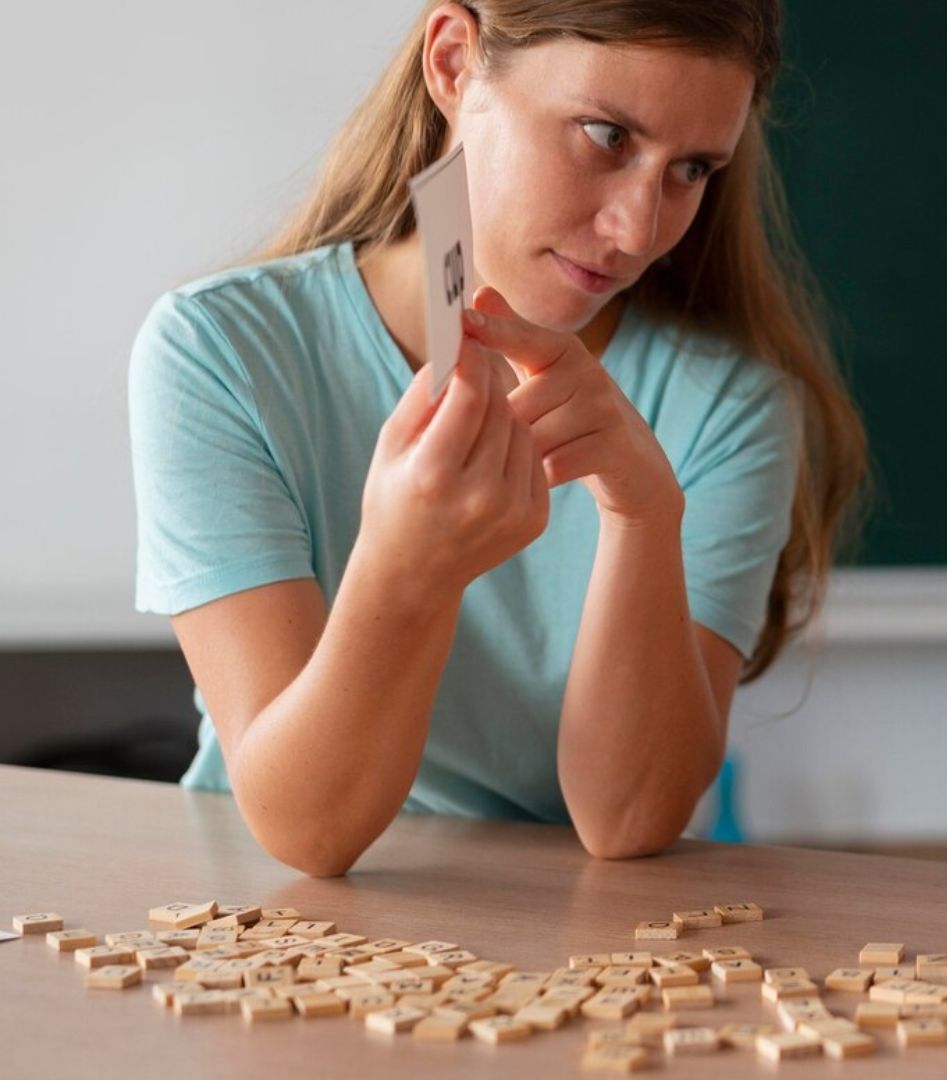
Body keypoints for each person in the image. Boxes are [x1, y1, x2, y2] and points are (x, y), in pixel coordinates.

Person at [128, 0, 864, 876]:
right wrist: (411, 568)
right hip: (265, 924)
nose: (637, 229)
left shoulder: (726, 409)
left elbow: (629, 818)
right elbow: (310, 833)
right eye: (605, 135)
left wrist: (642, 516)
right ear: (452, 64)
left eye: (693, 169)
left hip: (552, 947)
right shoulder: (220, 355)